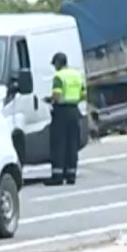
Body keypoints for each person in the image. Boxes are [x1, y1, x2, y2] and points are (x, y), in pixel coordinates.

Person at [43, 52, 85, 186]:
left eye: (55, 64)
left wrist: (49, 100)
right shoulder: (77, 75)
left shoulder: (59, 76)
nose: (54, 67)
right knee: (72, 143)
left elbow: (57, 95)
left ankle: (57, 176)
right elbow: (83, 94)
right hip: (74, 110)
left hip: (61, 112)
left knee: (58, 143)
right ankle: (71, 174)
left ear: (58, 63)